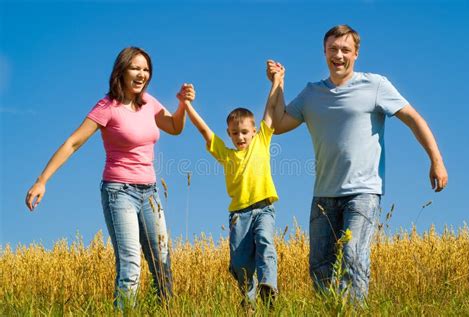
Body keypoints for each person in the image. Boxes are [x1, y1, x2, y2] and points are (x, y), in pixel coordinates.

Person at [266, 24, 448, 300]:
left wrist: (436, 159)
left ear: (356, 53)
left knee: (353, 257)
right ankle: (330, 311)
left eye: (345, 50)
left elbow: (414, 119)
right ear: (324, 52)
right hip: (323, 194)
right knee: (320, 267)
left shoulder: (375, 85)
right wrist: (277, 83)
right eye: (332, 49)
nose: (338, 55)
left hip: (363, 191)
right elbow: (277, 125)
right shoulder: (311, 93)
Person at [25, 47, 194, 308]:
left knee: (161, 260)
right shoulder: (108, 107)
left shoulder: (149, 103)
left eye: (146, 69)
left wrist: (182, 105)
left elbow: (174, 127)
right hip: (119, 192)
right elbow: (73, 142)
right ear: (122, 71)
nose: (142, 74)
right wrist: (42, 180)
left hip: (150, 192)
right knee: (130, 264)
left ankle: (167, 311)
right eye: (135, 68)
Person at [181, 70, 284, 308]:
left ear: (254, 132)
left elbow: (269, 109)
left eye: (245, 132)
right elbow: (204, 131)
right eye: (235, 133)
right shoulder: (226, 155)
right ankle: (248, 301)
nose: (240, 137)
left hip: (264, 208)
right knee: (239, 262)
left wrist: (276, 82)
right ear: (228, 134)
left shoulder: (262, 142)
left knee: (266, 242)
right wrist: (187, 106)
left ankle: (268, 287)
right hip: (239, 215)